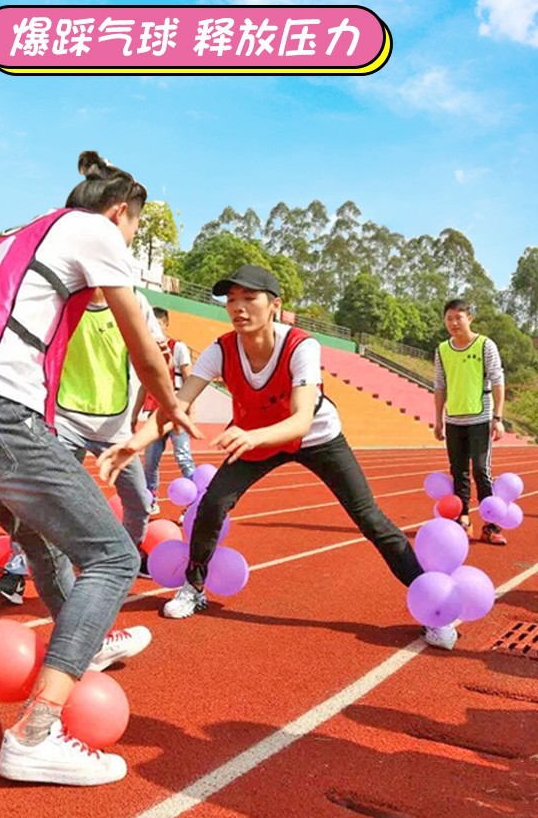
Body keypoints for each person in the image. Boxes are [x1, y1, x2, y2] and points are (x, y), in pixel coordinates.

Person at [0, 152, 198, 786]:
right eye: (134, 229)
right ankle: (36, 731)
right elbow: (140, 339)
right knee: (115, 557)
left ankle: (86, 639)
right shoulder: (95, 229)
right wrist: (170, 404)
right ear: (120, 213)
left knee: (40, 542)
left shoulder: (13, 238)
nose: (127, 243)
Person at [100, 264, 458, 652]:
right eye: (231, 300)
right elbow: (177, 404)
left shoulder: (301, 346)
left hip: (316, 437)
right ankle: (194, 586)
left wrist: (251, 436)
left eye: (249, 298)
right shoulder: (221, 350)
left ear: (274, 305)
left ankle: (433, 607)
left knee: (370, 518)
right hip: (255, 440)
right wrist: (135, 443)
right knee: (212, 505)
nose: (238, 307)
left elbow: (301, 419)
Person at [0, 286, 166, 605]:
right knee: (42, 498)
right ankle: (16, 570)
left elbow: (154, 351)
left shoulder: (132, 299)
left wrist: (169, 396)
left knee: (139, 500)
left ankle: (125, 559)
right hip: (65, 419)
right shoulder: (62, 297)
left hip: (115, 427)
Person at [434, 299, 507, 545]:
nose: (454, 323)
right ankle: (463, 519)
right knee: (458, 472)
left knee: (481, 470)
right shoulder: (442, 350)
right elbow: (440, 385)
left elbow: (497, 381)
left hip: (480, 418)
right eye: (449, 319)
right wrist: (438, 420)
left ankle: (491, 525)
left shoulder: (485, 345)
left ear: (470, 318)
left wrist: (498, 418)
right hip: (453, 419)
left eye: (459, 317)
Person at [133, 307, 195, 514]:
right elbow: (144, 387)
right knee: (150, 461)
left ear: (166, 325)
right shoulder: (147, 352)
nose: (154, 329)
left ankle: (194, 504)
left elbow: (190, 380)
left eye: (158, 325)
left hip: (176, 412)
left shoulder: (178, 348)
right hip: (155, 416)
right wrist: (134, 414)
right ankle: (151, 500)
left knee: (183, 457)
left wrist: (190, 413)